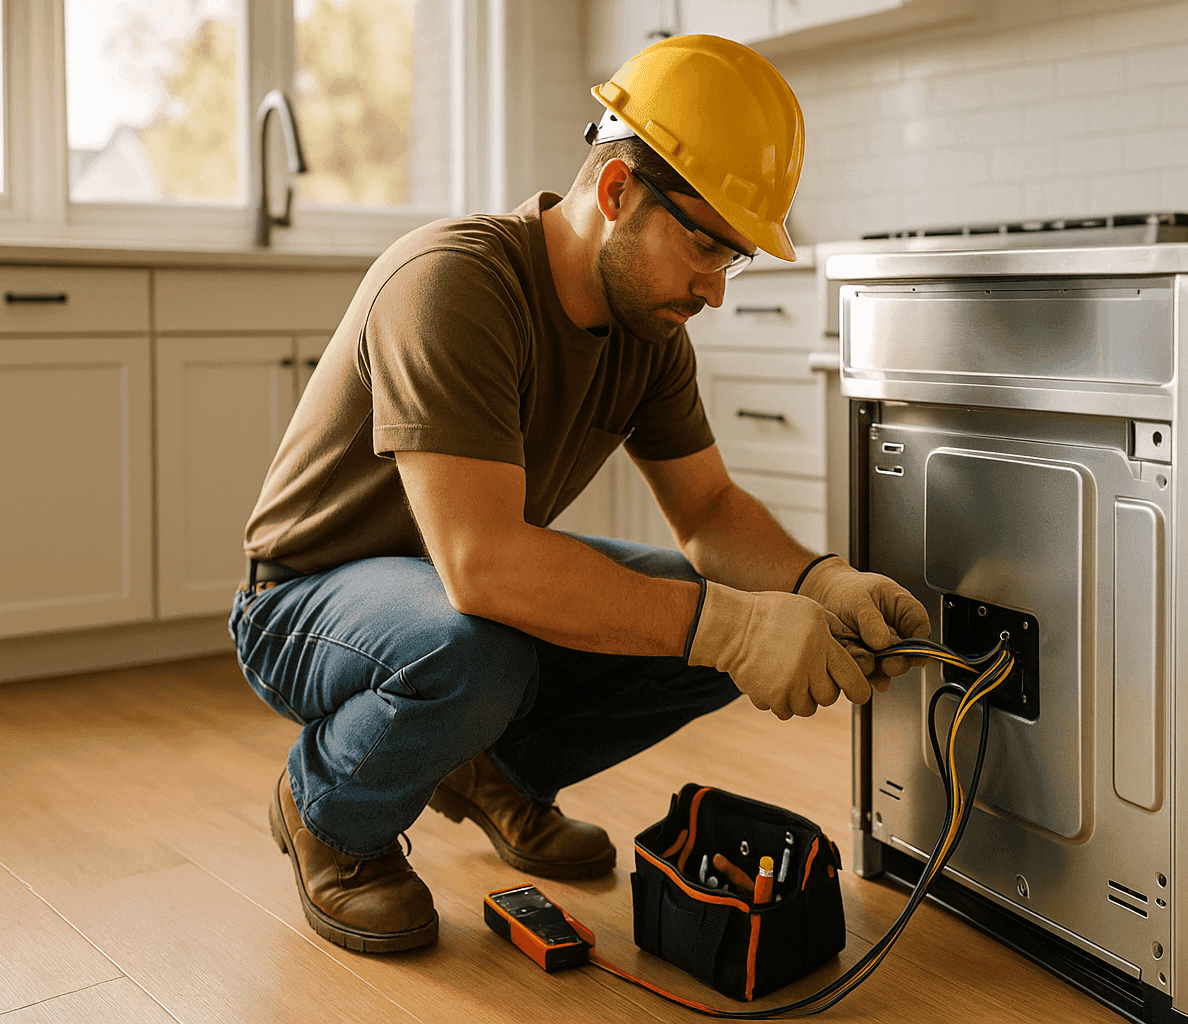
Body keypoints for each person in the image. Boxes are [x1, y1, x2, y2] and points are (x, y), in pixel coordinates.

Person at [229, 35, 929, 955]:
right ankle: (327, 809)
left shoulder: (649, 333)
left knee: (691, 616)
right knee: (480, 646)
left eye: (737, 258)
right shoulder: (455, 284)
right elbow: (482, 568)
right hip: (305, 601)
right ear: (615, 192)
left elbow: (710, 513)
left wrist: (816, 584)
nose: (716, 289)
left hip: (449, 596)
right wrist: (733, 628)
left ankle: (490, 770)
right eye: (706, 245)